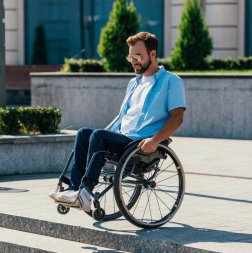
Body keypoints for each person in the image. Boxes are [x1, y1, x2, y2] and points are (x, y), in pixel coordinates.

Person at [49, 32, 186, 212]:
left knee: (97, 136)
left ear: (152, 54)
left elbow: (177, 117)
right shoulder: (134, 83)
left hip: (139, 142)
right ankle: (74, 189)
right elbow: (123, 115)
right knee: (84, 133)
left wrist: (155, 140)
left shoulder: (171, 81)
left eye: (138, 56)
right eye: (131, 57)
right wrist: (107, 130)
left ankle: (86, 193)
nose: (133, 61)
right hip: (122, 137)